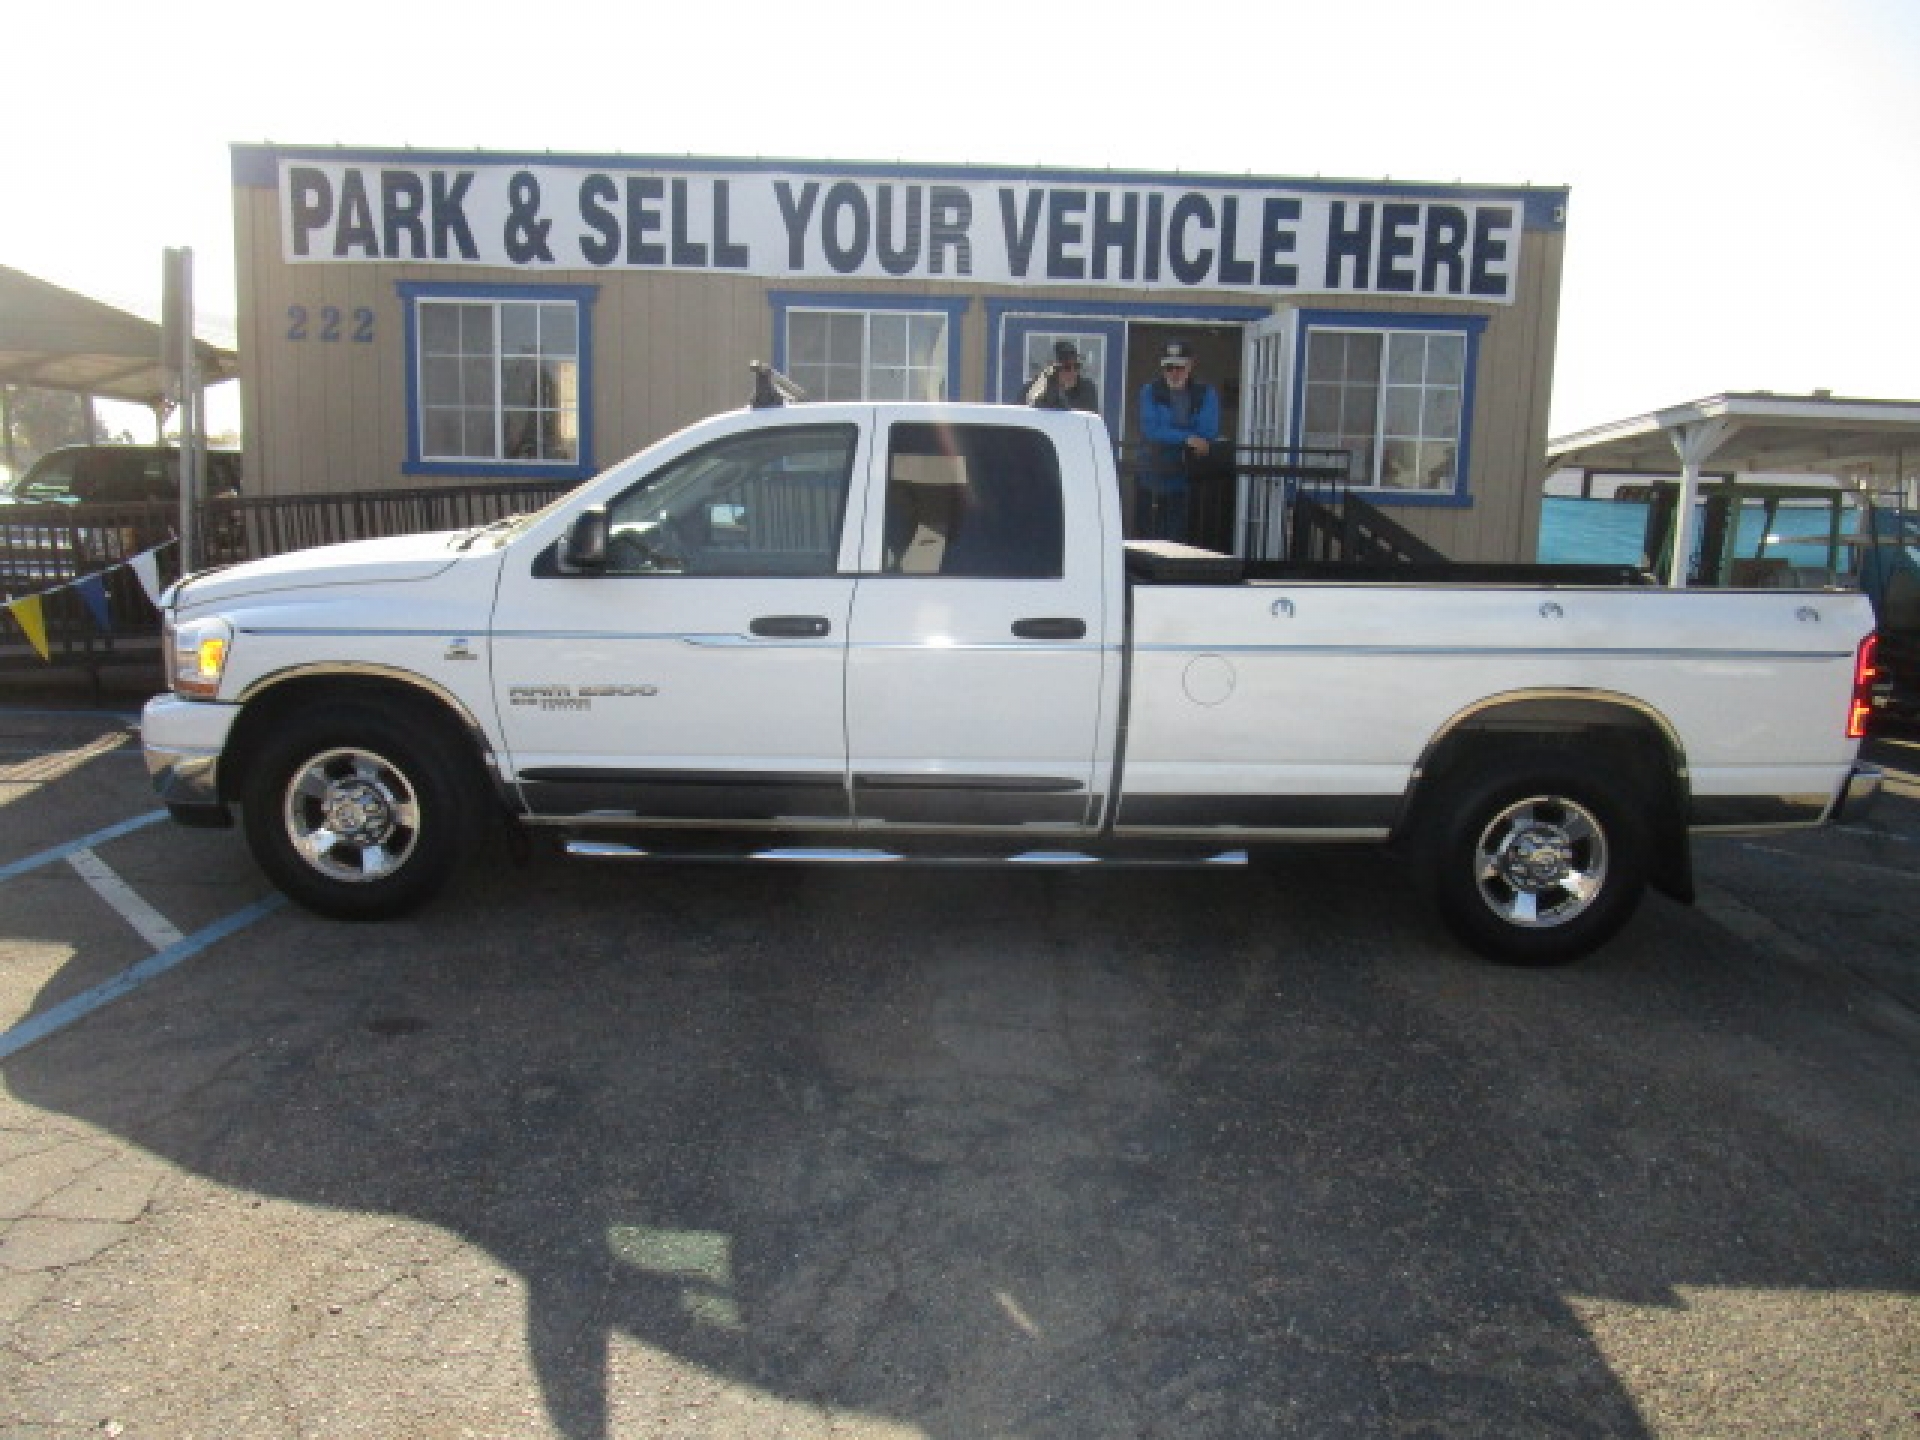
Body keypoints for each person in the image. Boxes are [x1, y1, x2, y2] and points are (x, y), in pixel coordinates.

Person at [1134, 338, 1220, 542]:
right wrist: (1187, 437)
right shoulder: (1150, 391)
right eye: (1169, 367)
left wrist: (1175, 437)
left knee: (1180, 540)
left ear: (1190, 366)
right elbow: (1151, 430)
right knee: (1148, 540)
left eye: (1180, 367)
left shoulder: (1205, 393)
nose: (1174, 373)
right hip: (1151, 476)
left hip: (1186, 479)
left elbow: (1208, 431)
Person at [1024, 340, 1099, 414]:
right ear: (1053, 370)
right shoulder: (1032, 389)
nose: (1073, 372)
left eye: (1076, 366)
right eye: (1067, 367)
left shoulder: (1086, 390)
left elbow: (1090, 421)